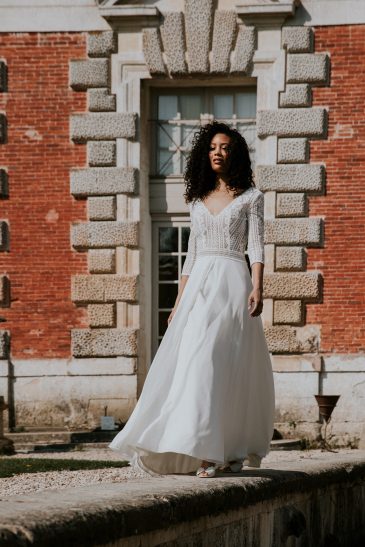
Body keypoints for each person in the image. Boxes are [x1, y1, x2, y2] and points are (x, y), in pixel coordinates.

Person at [109, 121, 275, 478]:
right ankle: (201, 446)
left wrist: (258, 287)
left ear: (236, 154)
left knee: (228, 364)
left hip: (233, 282)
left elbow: (257, 247)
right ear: (206, 152)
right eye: (213, 146)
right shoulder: (197, 200)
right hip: (200, 286)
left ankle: (228, 450)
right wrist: (179, 301)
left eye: (226, 147)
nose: (219, 152)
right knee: (198, 361)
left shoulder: (251, 197)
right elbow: (192, 253)